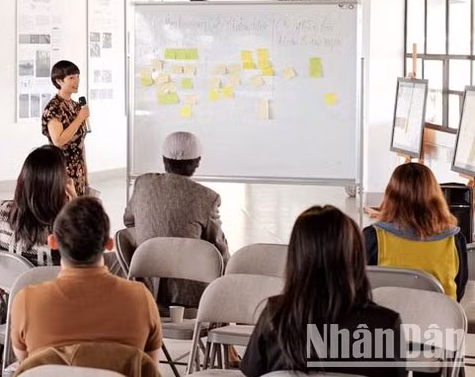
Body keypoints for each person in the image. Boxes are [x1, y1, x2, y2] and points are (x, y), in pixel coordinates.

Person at [241, 205, 405, 377]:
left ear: (296, 259)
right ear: (356, 258)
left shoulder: (275, 316)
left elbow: (251, 373)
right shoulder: (385, 324)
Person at [11, 197, 162, 363]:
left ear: (52, 242)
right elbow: (150, 368)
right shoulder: (141, 299)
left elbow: (26, 364)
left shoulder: (27, 301)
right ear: (109, 245)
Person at [123, 131, 229, 308]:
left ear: (164, 159)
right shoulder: (207, 197)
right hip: (190, 293)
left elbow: (129, 221)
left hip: (144, 286)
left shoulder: (142, 184)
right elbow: (219, 249)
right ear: (197, 162)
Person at [364, 163, 467, 301]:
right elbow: (459, 290)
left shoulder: (373, 237)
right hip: (441, 319)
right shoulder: (455, 240)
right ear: (436, 196)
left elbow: (360, 287)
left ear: (391, 195)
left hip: (387, 320)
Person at [0, 145, 74, 266]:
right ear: (61, 185)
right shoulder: (68, 226)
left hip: (12, 285)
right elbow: (91, 265)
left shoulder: (2, 213)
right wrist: (76, 205)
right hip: (53, 285)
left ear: (24, 179)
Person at [42, 60, 90, 197]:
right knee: (64, 209)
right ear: (59, 81)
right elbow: (58, 140)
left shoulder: (76, 106)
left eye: (77, 76)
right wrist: (80, 118)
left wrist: (85, 172)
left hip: (78, 168)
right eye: (71, 78)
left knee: (78, 212)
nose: (76, 81)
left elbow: (81, 142)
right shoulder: (53, 108)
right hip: (61, 168)